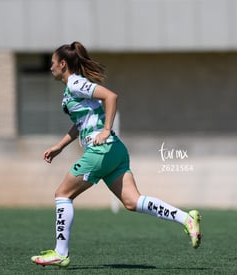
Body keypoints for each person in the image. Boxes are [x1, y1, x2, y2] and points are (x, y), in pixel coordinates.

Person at [31, 41, 201, 268]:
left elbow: (111, 96)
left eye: (52, 63)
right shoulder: (71, 88)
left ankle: (60, 253)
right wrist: (60, 146)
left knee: (63, 194)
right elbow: (81, 123)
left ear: (63, 64)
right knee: (133, 202)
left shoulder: (75, 83)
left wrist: (106, 129)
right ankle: (187, 219)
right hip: (115, 150)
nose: (50, 66)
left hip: (101, 150)